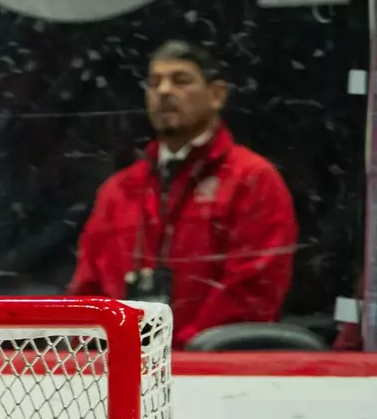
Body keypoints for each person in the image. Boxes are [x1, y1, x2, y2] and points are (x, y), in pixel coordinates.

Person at [68, 41, 297, 347]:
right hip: (120, 374)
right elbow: (87, 293)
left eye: (181, 80)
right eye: (154, 82)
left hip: (219, 376)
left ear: (217, 94)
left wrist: (181, 353)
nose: (164, 91)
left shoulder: (252, 180)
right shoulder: (119, 190)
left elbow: (252, 293)